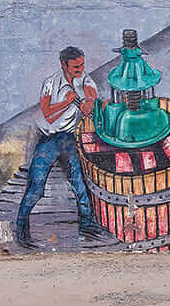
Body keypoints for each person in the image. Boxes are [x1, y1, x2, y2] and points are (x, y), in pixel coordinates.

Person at [16, 46, 105, 246]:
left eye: (82, 65)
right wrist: (66, 103)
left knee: (80, 184)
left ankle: (88, 227)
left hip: (69, 139)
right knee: (36, 187)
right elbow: (48, 114)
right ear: (64, 65)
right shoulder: (50, 83)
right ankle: (21, 232)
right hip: (49, 139)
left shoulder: (86, 81)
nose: (80, 69)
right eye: (75, 66)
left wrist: (87, 104)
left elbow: (91, 100)